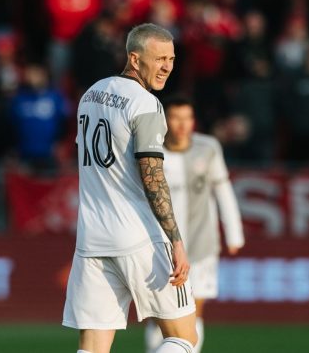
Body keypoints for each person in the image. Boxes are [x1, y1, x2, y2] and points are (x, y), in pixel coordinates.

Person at [62, 23, 198, 353]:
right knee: (184, 338)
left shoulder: (90, 95)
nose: (167, 66)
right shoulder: (145, 104)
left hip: (92, 241)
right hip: (139, 238)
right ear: (134, 59)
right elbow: (152, 177)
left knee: (92, 347)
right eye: (160, 58)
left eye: (172, 58)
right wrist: (176, 240)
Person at [145, 95, 244, 353]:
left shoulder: (208, 147)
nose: (182, 124)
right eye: (176, 118)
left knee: (194, 311)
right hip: (161, 246)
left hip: (201, 243)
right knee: (161, 316)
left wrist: (234, 234)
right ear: (165, 120)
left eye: (187, 118)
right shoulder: (151, 150)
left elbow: (222, 189)